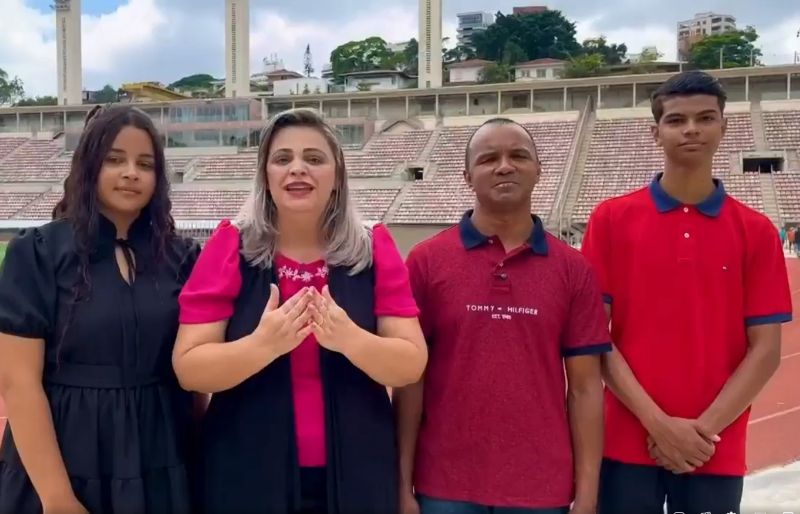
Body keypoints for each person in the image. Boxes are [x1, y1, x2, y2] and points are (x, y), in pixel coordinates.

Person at [173, 108, 427, 514]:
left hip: (359, 474)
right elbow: (189, 367)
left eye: (314, 158)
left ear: (337, 175)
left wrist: (349, 339)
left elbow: (410, 364)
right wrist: (262, 345)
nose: (297, 169)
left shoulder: (373, 248)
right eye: (282, 159)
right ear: (266, 175)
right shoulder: (230, 247)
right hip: (246, 472)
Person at [582, 70, 792, 514]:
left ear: (723, 127)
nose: (691, 129)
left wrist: (701, 432)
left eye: (705, 117)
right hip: (625, 439)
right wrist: (657, 424)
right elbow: (597, 336)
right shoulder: (612, 219)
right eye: (676, 120)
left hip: (713, 444)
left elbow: (766, 350)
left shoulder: (755, 231)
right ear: (655, 132)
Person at [396, 118, 611, 514]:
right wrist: (401, 484)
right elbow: (411, 382)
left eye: (518, 156)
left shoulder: (573, 269)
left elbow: (584, 389)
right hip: (444, 484)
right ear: (467, 176)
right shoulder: (426, 262)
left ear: (539, 169)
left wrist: (588, 496)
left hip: (542, 488)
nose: (504, 166)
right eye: (489, 158)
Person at [0, 105, 200, 514]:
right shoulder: (37, 253)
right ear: (88, 165)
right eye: (114, 159)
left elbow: (194, 373)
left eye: (145, 164)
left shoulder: (181, 257)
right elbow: (19, 383)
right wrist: (56, 499)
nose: (131, 172)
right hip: (66, 453)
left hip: (159, 451)